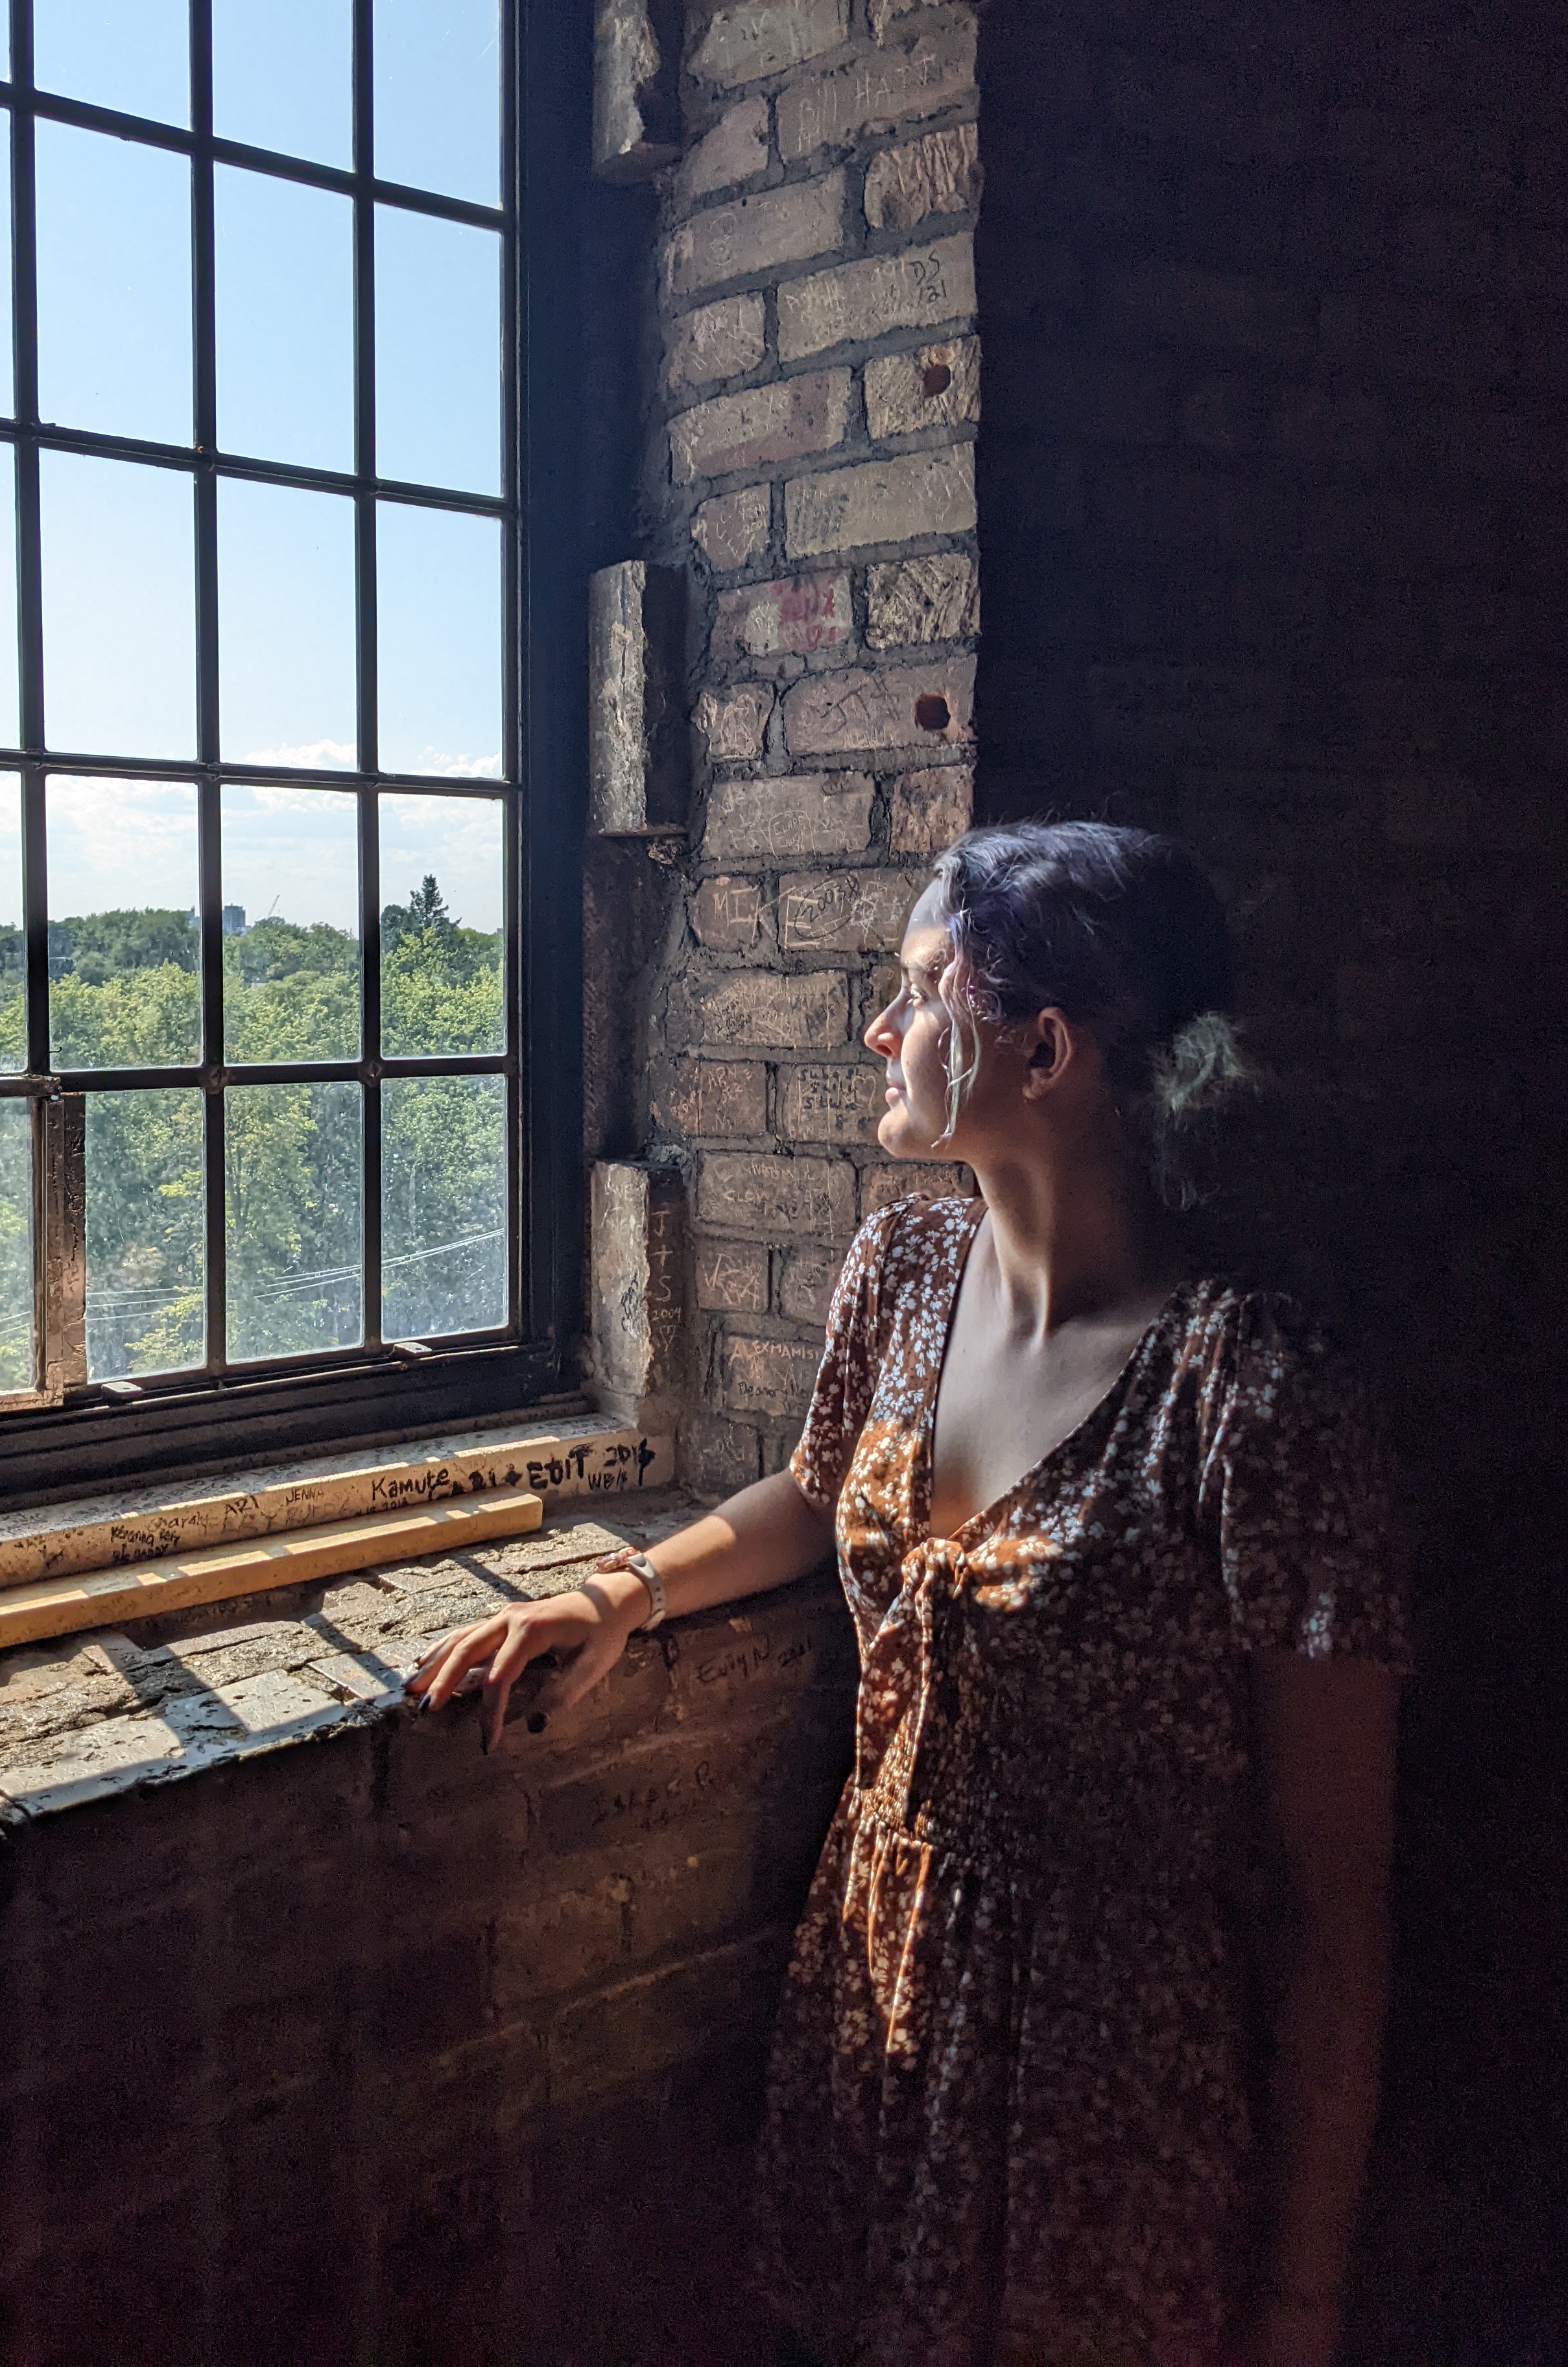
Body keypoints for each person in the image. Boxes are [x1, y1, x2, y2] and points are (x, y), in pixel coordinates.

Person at [410, 822, 1407, 2367]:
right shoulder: (905, 1271)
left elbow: (1336, 1902)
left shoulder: (1253, 1390)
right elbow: (820, 1494)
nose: (880, 1031)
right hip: (875, 1973)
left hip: (1104, 2075)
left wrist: (1301, 2303)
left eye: (923, 989)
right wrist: (625, 1593)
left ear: (1044, 1050)